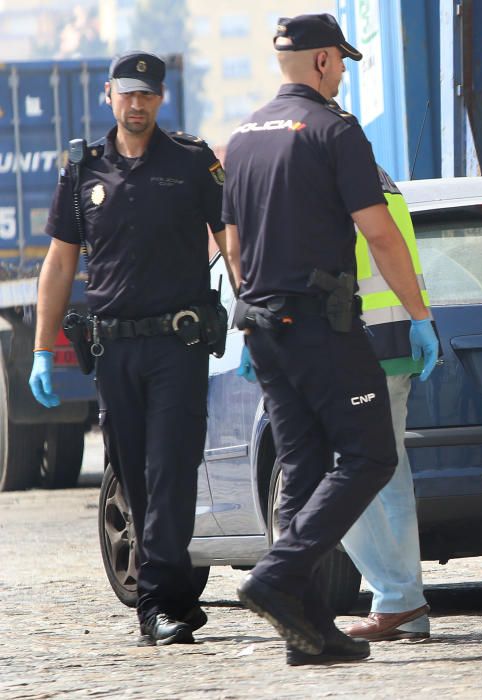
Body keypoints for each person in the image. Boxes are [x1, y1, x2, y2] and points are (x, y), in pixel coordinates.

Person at [222, 14, 438, 666]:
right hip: (319, 323)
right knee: (370, 456)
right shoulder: (334, 130)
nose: (343, 71)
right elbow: (377, 230)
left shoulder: (242, 137)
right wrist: (418, 312)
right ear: (321, 62)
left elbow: (230, 241)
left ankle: (309, 628)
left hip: (261, 325)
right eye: (340, 61)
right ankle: (276, 576)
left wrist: (253, 300)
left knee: (304, 470)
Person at [29, 51, 228, 645]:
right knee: (133, 475)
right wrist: (41, 348)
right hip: (113, 349)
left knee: (170, 469)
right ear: (109, 97)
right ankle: (175, 594)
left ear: (161, 99)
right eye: (127, 94)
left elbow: (230, 241)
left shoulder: (194, 163)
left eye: (147, 94)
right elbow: (61, 262)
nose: (136, 104)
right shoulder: (81, 171)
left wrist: (256, 310)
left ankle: (158, 603)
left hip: (178, 344)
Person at [338, 164, 432, 642]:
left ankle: (398, 598)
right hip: (390, 341)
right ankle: (403, 603)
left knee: (341, 477)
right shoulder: (375, 175)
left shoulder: (327, 168)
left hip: (355, 345)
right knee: (386, 477)